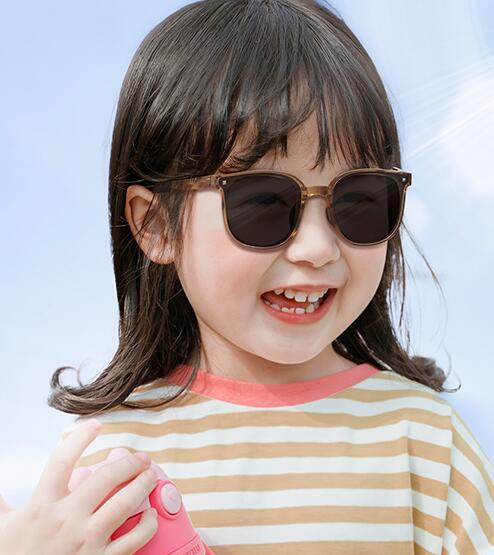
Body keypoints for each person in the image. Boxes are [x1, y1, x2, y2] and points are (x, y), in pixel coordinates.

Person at [1, 0, 493, 553]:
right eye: (262, 203)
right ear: (156, 224)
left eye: (359, 201)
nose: (317, 248)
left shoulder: (428, 447)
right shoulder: (108, 465)